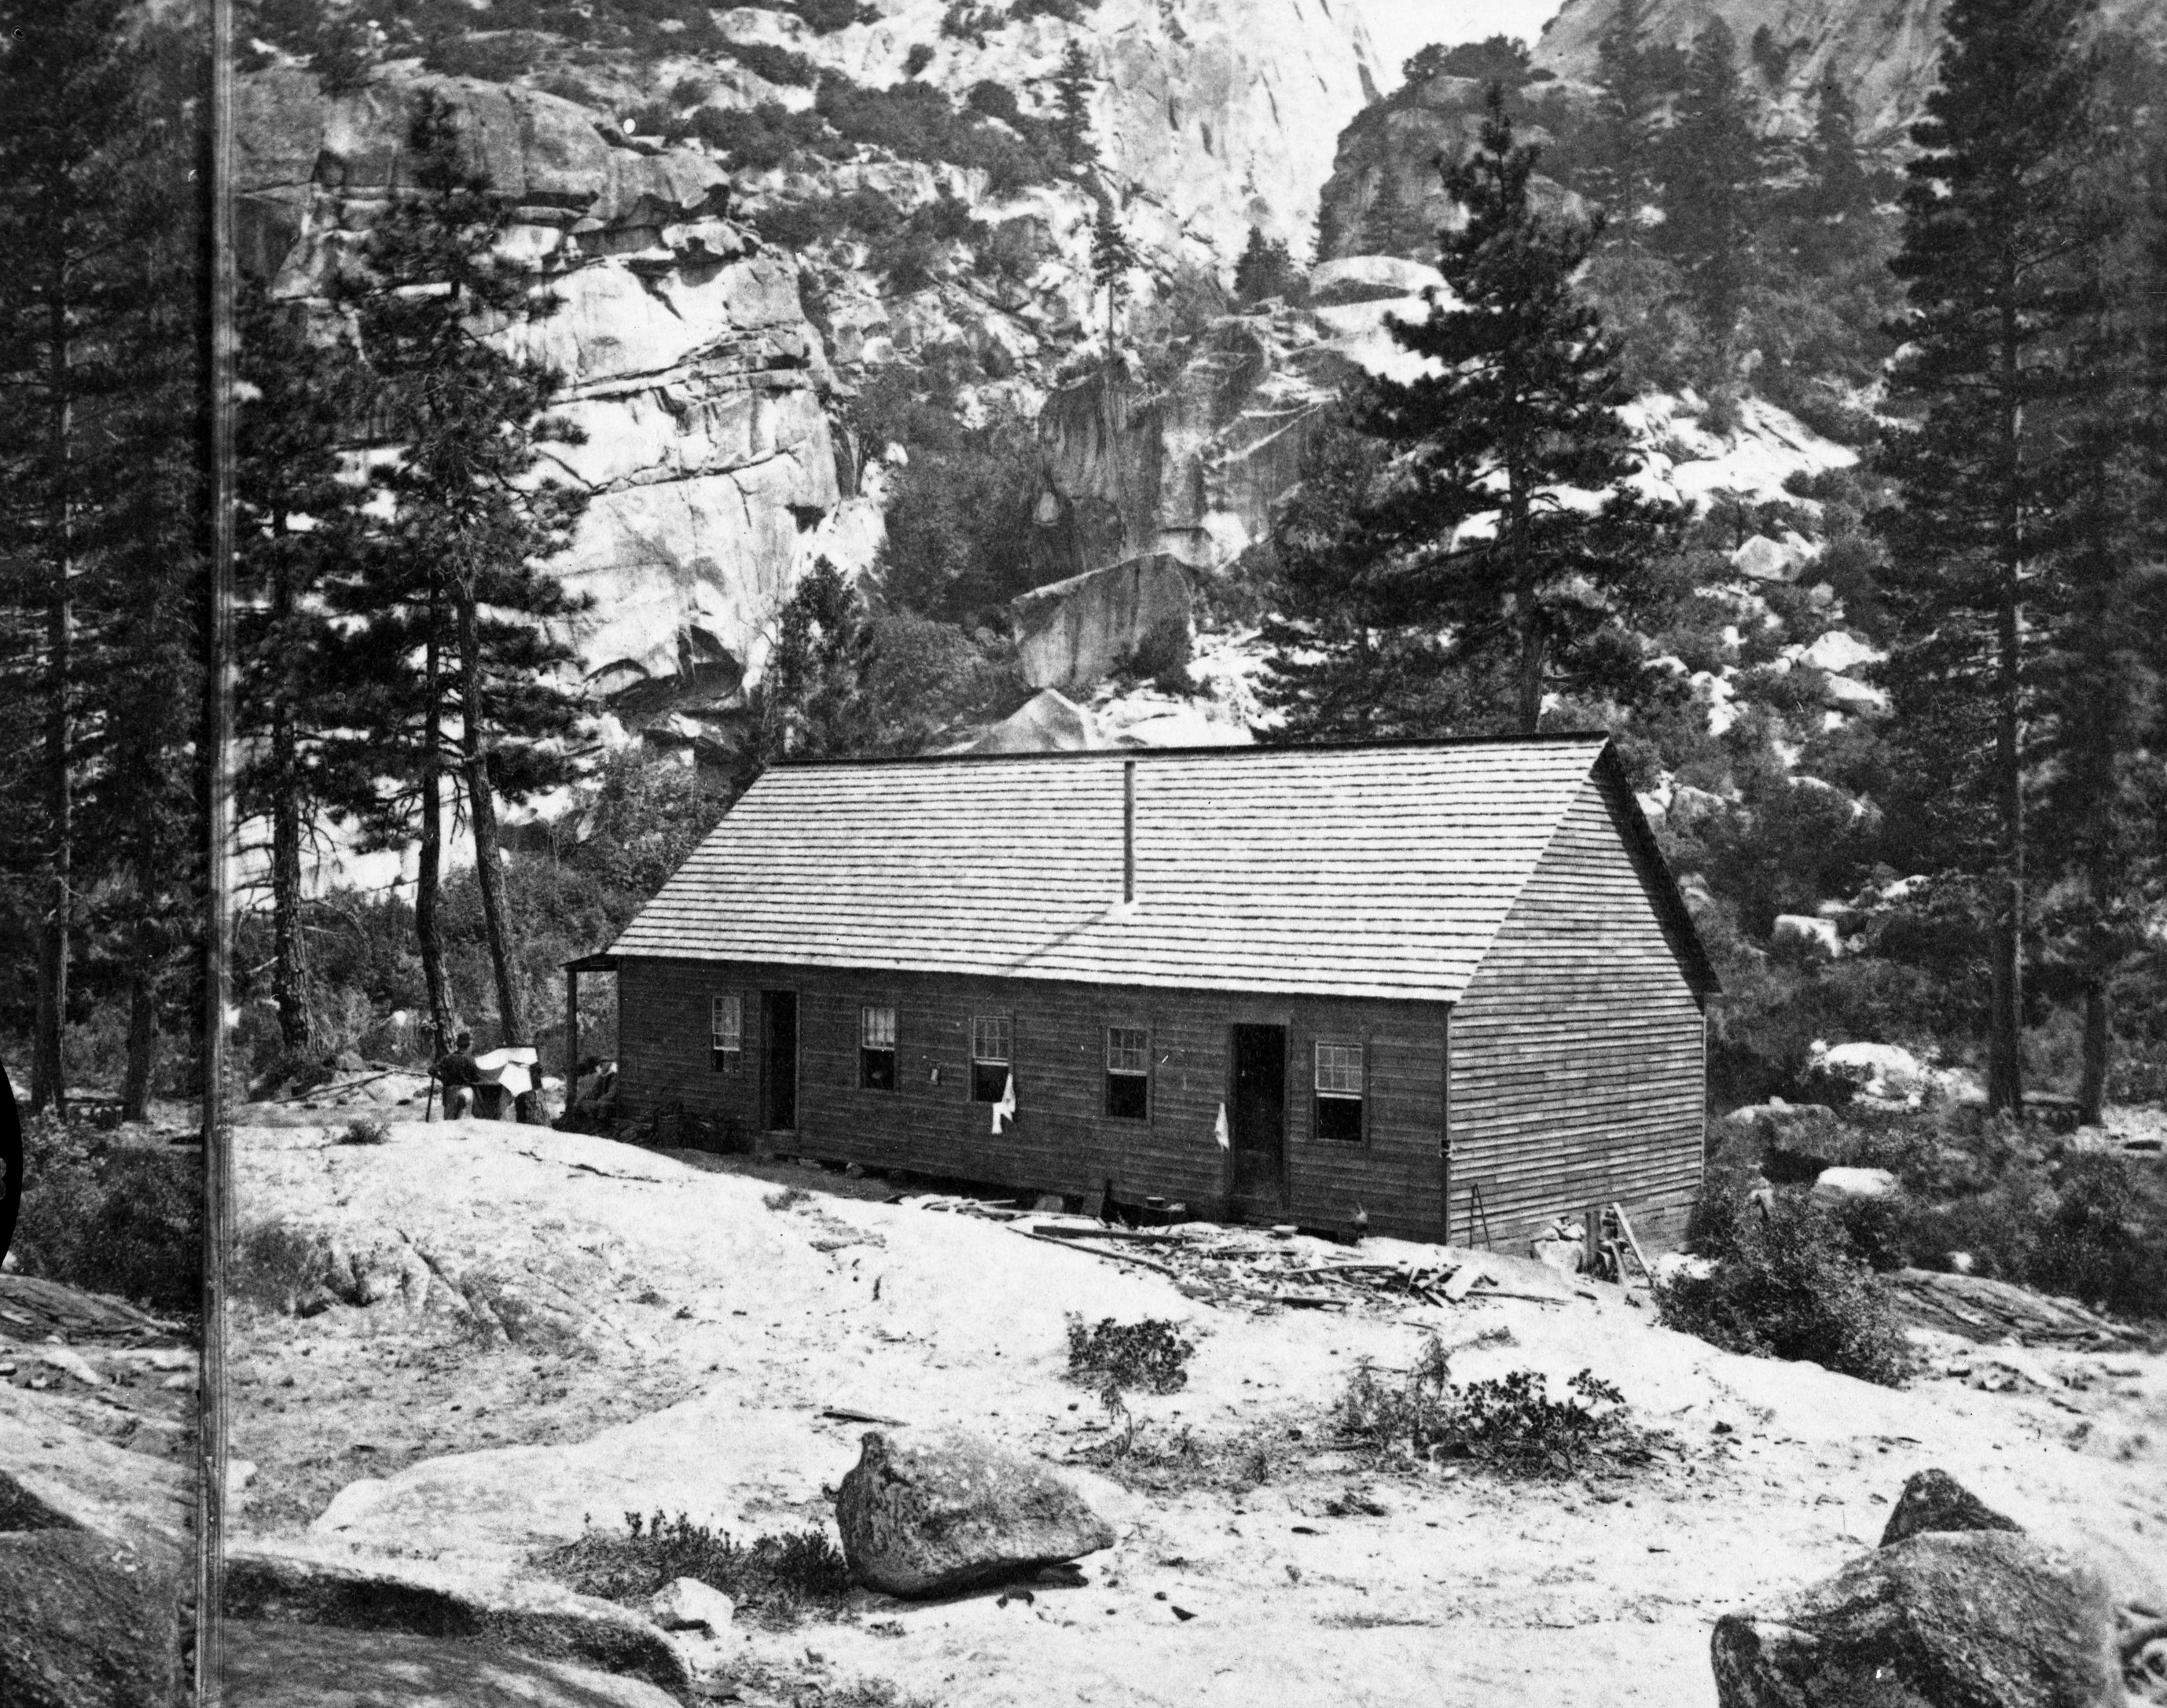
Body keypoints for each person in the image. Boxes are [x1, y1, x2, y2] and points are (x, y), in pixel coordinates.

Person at [433, 1030, 483, 1120]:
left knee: (449, 1122)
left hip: (450, 1092)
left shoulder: (448, 1058)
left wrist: (443, 1079)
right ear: (468, 1045)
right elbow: (477, 1078)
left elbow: (431, 1070)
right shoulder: (470, 1059)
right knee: (463, 1122)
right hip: (466, 1091)